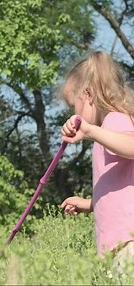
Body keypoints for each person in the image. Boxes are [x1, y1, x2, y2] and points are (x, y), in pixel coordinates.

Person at [60, 51, 134, 276]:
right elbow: (120, 188)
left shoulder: (115, 119)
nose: (73, 113)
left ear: (89, 95)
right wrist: (91, 203)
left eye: (74, 105)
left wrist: (91, 131)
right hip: (120, 248)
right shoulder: (106, 131)